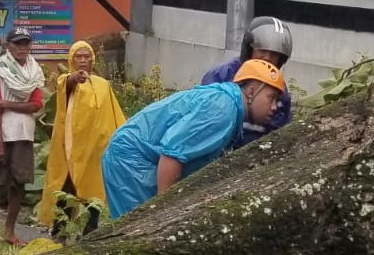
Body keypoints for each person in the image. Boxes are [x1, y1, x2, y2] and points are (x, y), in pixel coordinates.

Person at [103, 59, 285, 219]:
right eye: (271, 98)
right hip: (131, 160)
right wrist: (163, 213)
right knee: (142, 232)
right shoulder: (223, 109)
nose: (275, 107)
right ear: (251, 91)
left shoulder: (227, 104)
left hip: (134, 156)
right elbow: (172, 154)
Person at [39, 40, 127, 236]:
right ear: (72, 59)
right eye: (78, 56)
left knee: (95, 187)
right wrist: (75, 78)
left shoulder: (103, 85)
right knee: (66, 187)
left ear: (92, 59)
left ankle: (90, 231)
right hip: (71, 148)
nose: (83, 60)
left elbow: (115, 114)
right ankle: (59, 231)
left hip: (97, 147)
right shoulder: (65, 81)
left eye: (87, 56)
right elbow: (69, 83)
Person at [0, 28, 46, 250]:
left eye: (26, 43)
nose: (22, 48)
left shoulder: (34, 71)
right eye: (18, 43)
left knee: (19, 184)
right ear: (9, 46)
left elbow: (36, 105)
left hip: (23, 133)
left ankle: (10, 232)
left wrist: (6, 103)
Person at [200, 17, 294, 148]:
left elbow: (279, 133)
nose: (267, 58)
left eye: (274, 54)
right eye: (262, 51)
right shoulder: (222, 75)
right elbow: (202, 122)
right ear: (249, 50)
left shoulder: (279, 90)